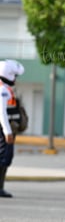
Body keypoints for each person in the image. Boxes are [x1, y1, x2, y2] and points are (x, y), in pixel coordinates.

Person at [0, 59, 25, 198]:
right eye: (14, 75)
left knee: (5, 158)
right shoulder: (2, 90)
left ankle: (0, 187)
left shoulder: (6, 89)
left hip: (7, 129)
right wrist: (7, 131)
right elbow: (1, 112)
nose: (15, 78)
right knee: (4, 157)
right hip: (4, 130)